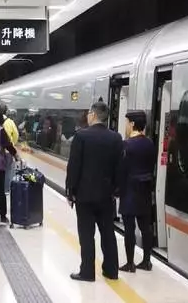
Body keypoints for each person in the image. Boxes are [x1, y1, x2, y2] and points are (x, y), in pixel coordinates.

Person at [65, 102, 121, 282]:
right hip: (106, 196)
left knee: (87, 235)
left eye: (88, 113)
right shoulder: (116, 138)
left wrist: (70, 191)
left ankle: (87, 272)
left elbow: (74, 167)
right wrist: (115, 190)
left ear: (93, 115)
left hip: (84, 195)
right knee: (108, 233)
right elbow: (119, 167)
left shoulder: (81, 136)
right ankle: (111, 271)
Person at [117, 111, 156, 273]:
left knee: (129, 228)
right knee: (145, 227)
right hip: (145, 189)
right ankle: (147, 261)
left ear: (132, 124)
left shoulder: (126, 145)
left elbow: (121, 169)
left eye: (126, 123)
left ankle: (130, 263)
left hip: (130, 189)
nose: (126, 126)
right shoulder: (150, 143)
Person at [0, 104, 19, 195]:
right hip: (8, 151)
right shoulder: (10, 122)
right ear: (6, 111)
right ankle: (6, 190)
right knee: (8, 170)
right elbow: (16, 135)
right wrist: (12, 144)